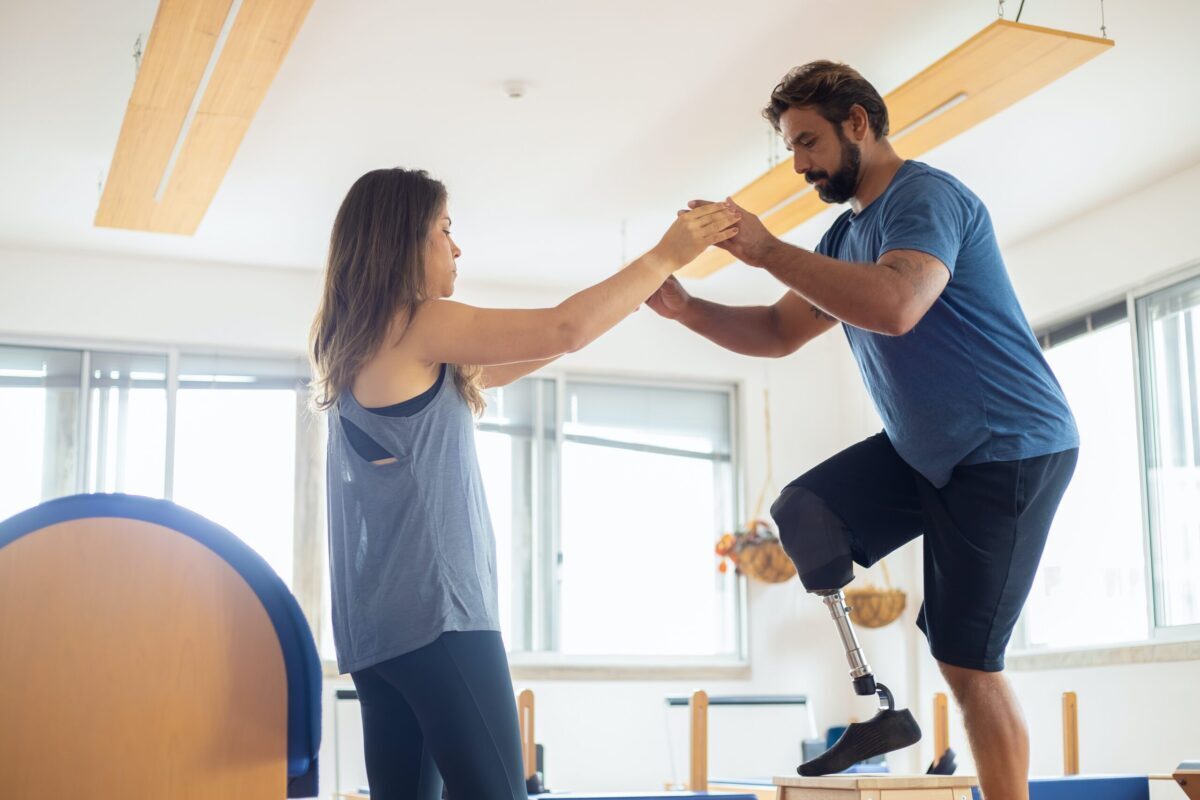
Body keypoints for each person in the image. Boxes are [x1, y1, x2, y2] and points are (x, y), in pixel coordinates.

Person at [647, 61, 1078, 799]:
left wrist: (768, 248)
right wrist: (688, 310)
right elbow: (781, 330)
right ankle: (874, 702)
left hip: (1007, 444)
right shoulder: (845, 237)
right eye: (790, 149)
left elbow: (899, 304)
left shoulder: (925, 198)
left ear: (857, 123)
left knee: (969, 661)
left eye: (808, 142)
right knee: (805, 510)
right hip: (929, 449)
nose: (801, 164)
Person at [309, 167, 739, 800]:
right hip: (443, 619)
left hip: (377, 636)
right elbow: (563, 326)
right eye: (445, 230)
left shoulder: (357, 342)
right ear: (403, 240)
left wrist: (625, 301)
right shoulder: (421, 323)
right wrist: (665, 254)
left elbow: (530, 353)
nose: (456, 248)